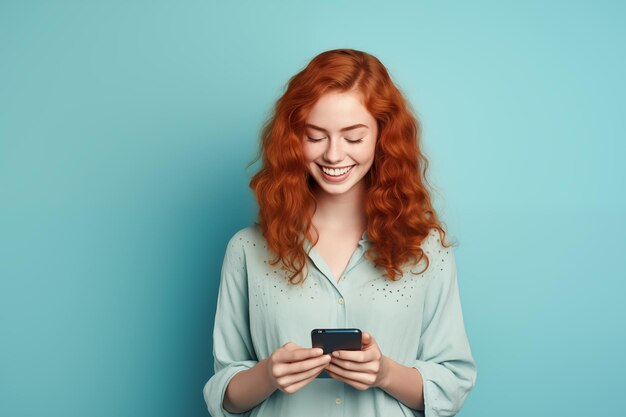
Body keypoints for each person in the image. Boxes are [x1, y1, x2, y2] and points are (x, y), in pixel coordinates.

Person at [203, 48, 477, 417]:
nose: (334, 155)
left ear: (382, 137)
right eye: (315, 136)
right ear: (292, 139)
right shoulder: (247, 249)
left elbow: (452, 383)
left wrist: (386, 373)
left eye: (353, 137)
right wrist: (267, 374)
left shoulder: (426, 249)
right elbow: (225, 392)